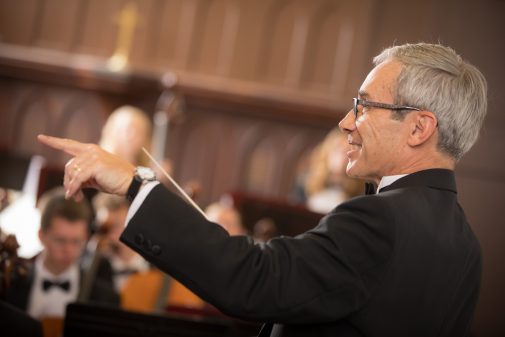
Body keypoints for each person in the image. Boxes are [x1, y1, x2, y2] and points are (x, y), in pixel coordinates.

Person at [38, 42, 487, 336]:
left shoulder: (380, 219)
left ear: (419, 128)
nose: (346, 122)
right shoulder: (466, 244)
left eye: (364, 106)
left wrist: (136, 185)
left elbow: (257, 279)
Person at [3, 189, 119, 319]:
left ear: (86, 237)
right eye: (60, 240)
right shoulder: (10, 283)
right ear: (41, 236)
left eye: (76, 241)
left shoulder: (104, 297)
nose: (68, 249)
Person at [301, 127, 364, 213]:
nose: (342, 156)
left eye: (347, 151)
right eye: (338, 149)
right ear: (327, 151)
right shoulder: (304, 183)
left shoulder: (361, 192)